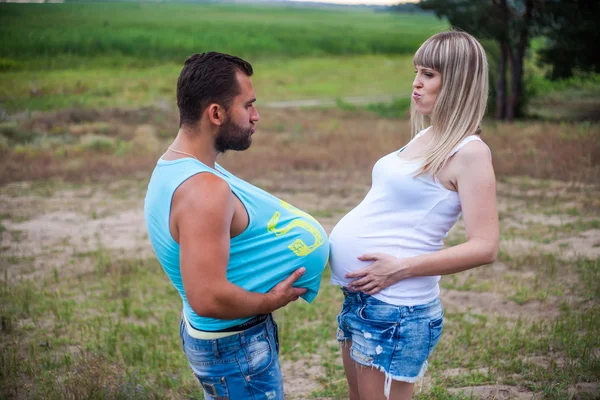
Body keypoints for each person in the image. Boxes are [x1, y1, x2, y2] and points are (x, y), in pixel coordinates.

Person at [144, 52, 329, 400]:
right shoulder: (202, 189)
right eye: (249, 106)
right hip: (235, 348)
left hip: (231, 344)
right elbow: (207, 297)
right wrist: (268, 301)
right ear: (216, 113)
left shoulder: (180, 165)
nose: (256, 116)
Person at [328, 31, 499, 400]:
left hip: (397, 307)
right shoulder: (428, 135)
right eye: (417, 71)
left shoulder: (470, 153)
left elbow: (485, 247)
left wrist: (400, 268)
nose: (416, 83)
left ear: (456, 82)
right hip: (363, 300)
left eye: (428, 74)